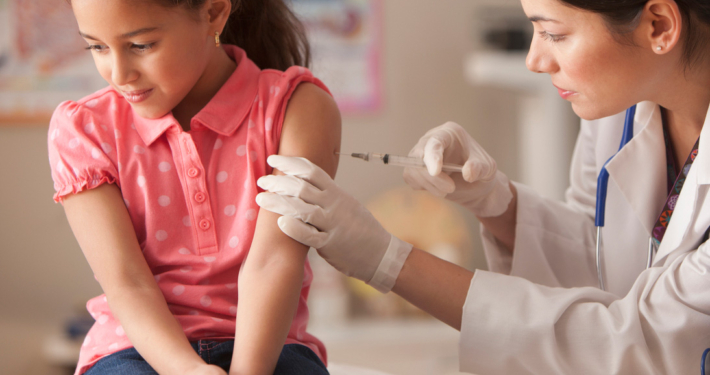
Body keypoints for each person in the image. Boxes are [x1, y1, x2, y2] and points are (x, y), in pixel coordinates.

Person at [255, 0, 710, 373]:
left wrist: (388, 260)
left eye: (554, 34)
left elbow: (639, 341)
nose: (535, 59)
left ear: (658, 25)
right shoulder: (619, 111)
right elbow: (603, 264)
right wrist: (499, 204)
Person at [47, 0, 341, 374]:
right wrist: (189, 371)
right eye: (97, 47)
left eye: (141, 46)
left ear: (213, 13)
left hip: (269, 347)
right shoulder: (85, 130)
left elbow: (274, 261)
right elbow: (127, 282)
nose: (119, 74)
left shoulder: (296, 109)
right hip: (135, 349)